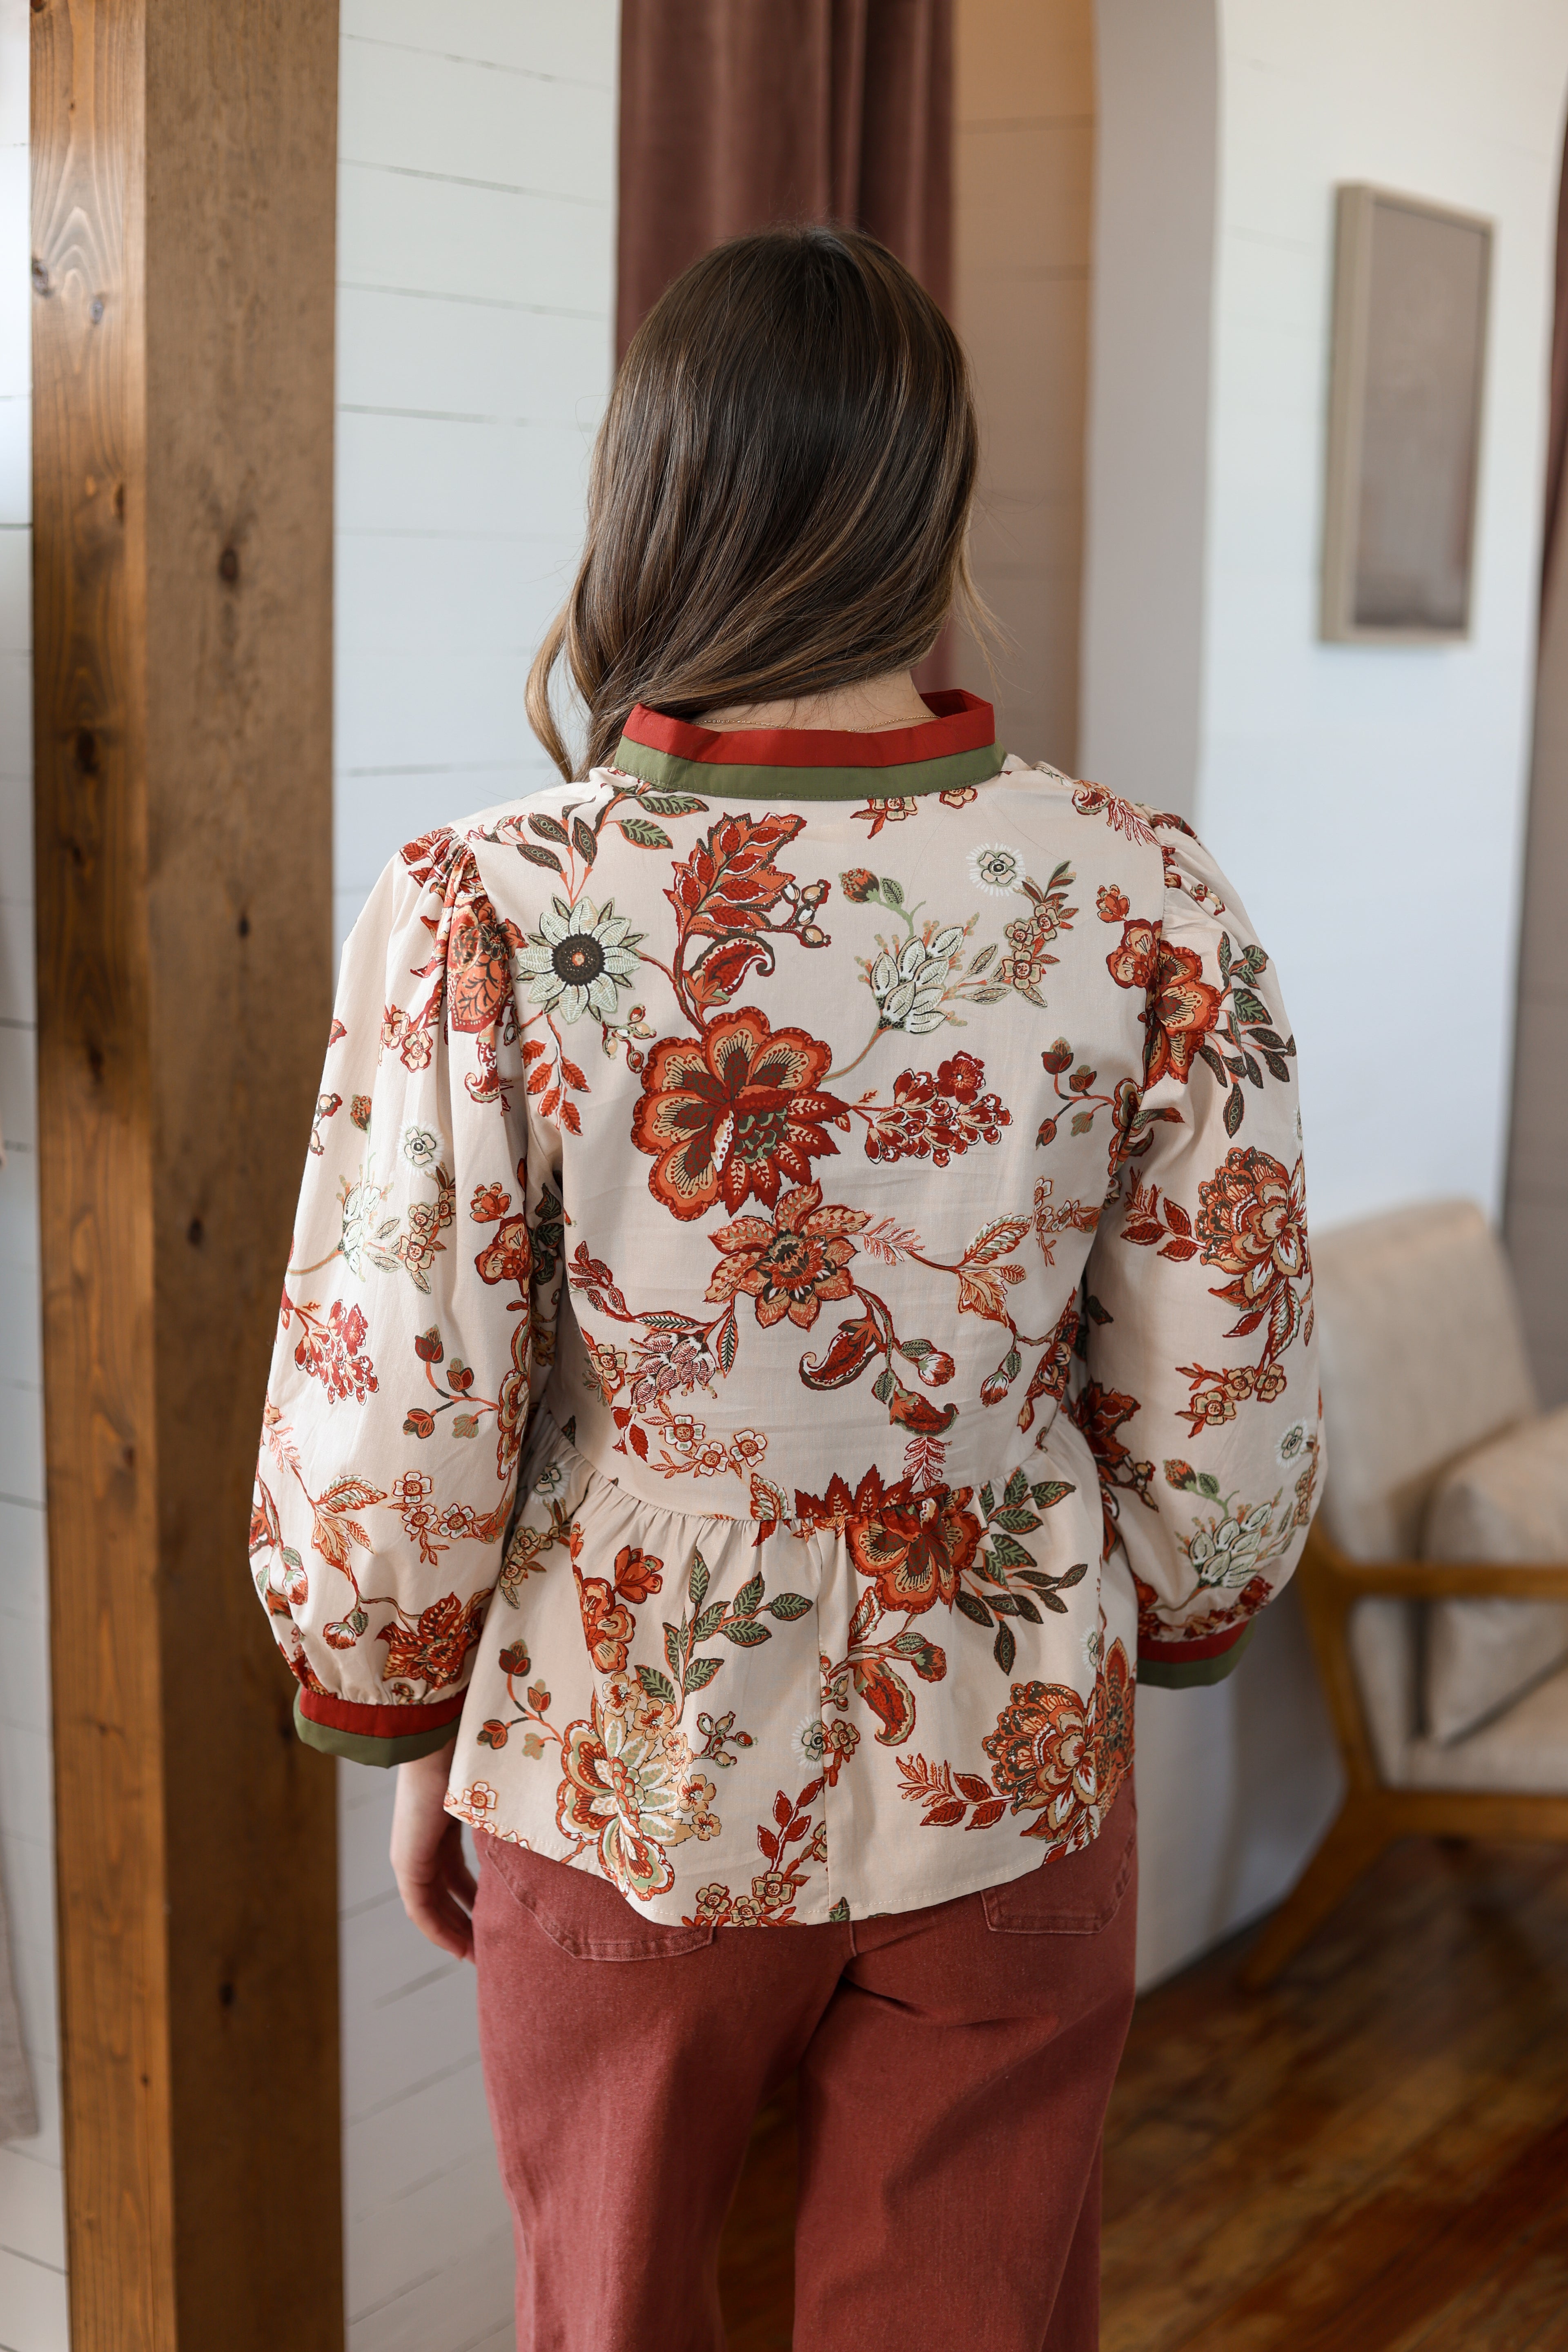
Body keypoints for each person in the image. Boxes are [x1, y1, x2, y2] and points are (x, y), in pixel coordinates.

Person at [252, 226, 1319, 2350]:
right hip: (1008, 1743)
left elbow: (403, 1387)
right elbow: (1229, 1367)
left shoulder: (494, 905)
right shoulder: (1140, 896)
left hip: (616, 1750)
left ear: (652, 489)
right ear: (935, 502)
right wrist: (1187, 1607)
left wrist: (401, 1717)